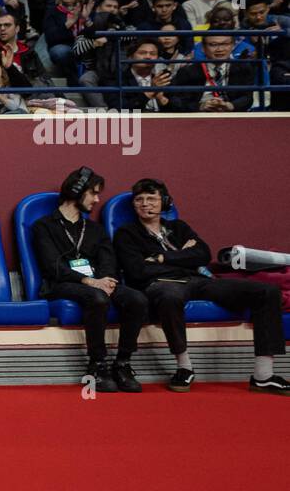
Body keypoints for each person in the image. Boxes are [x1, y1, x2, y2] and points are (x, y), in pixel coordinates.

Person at [113, 178, 289, 395]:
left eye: (151, 198)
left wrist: (160, 258)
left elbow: (204, 254)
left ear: (164, 202)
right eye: (139, 200)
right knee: (169, 296)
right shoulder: (127, 233)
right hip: (161, 284)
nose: (145, 204)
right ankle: (184, 366)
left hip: (199, 281)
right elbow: (137, 271)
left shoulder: (179, 227)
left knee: (267, 292)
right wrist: (184, 257)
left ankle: (263, 376)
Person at [32, 168, 147, 392]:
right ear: (76, 191)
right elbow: (53, 266)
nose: (97, 199)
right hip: (61, 285)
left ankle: (122, 363)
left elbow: (108, 261)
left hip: (99, 284)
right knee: (97, 298)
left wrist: (107, 280)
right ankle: (97, 364)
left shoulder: (95, 229)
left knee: (137, 299)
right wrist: (91, 282)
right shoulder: (44, 226)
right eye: (93, 193)